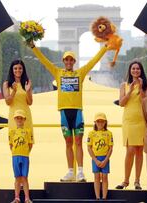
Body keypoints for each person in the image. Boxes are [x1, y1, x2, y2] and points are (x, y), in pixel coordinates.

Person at [29, 40, 109, 182]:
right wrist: (33, 47)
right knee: (68, 143)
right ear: (63, 61)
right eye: (66, 59)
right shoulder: (57, 72)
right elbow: (44, 61)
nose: (69, 62)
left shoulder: (81, 72)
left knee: (78, 142)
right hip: (64, 113)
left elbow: (93, 61)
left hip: (77, 112)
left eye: (71, 59)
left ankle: (80, 171)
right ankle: (70, 171)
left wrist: (105, 47)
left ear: (74, 61)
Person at [116, 61, 147, 190]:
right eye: (133, 68)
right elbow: (122, 103)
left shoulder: (145, 85)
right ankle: (125, 180)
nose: (135, 71)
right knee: (130, 151)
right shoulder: (124, 85)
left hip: (142, 121)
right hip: (129, 121)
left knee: (139, 151)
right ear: (129, 70)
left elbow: (145, 102)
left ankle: (137, 181)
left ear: (141, 71)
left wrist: (139, 87)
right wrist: (130, 90)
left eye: (138, 69)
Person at [9, 109, 34, 203]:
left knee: (24, 177)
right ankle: (17, 197)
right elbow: (11, 145)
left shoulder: (28, 131)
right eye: (17, 118)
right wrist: (15, 152)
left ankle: (27, 198)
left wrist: (26, 152)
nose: (19, 120)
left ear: (24, 119)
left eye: (21, 118)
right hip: (15, 156)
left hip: (25, 156)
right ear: (15, 119)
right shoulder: (12, 132)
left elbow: (30, 144)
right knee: (17, 177)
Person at [87, 112, 113, 200]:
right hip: (96, 158)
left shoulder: (109, 133)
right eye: (98, 121)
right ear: (95, 122)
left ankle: (104, 197)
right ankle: (97, 197)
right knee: (96, 177)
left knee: (105, 177)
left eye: (102, 121)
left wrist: (106, 160)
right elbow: (89, 147)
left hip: (105, 158)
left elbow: (110, 148)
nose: (100, 123)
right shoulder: (91, 133)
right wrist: (95, 160)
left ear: (105, 122)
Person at [3, 60, 33, 133]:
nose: (18, 70)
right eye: (15, 68)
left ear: (23, 69)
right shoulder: (6, 84)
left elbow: (30, 102)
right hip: (14, 116)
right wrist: (14, 91)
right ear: (12, 70)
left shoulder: (27, 83)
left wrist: (28, 90)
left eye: (20, 68)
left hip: (25, 115)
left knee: (28, 142)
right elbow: (8, 102)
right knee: (14, 142)